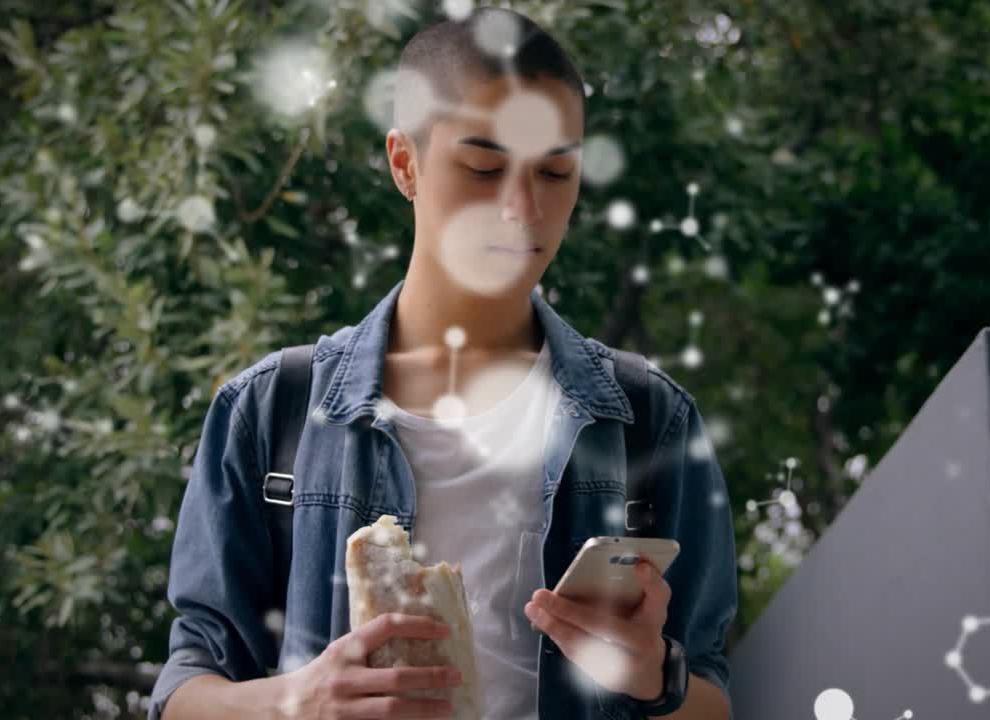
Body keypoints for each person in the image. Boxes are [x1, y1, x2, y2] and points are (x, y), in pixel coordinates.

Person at [150, 7, 736, 720]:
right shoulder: (271, 411)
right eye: (484, 167)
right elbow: (184, 692)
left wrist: (653, 677)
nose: (522, 209)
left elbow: (715, 699)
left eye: (555, 172)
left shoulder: (651, 419)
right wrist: (300, 701)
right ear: (406, 163)